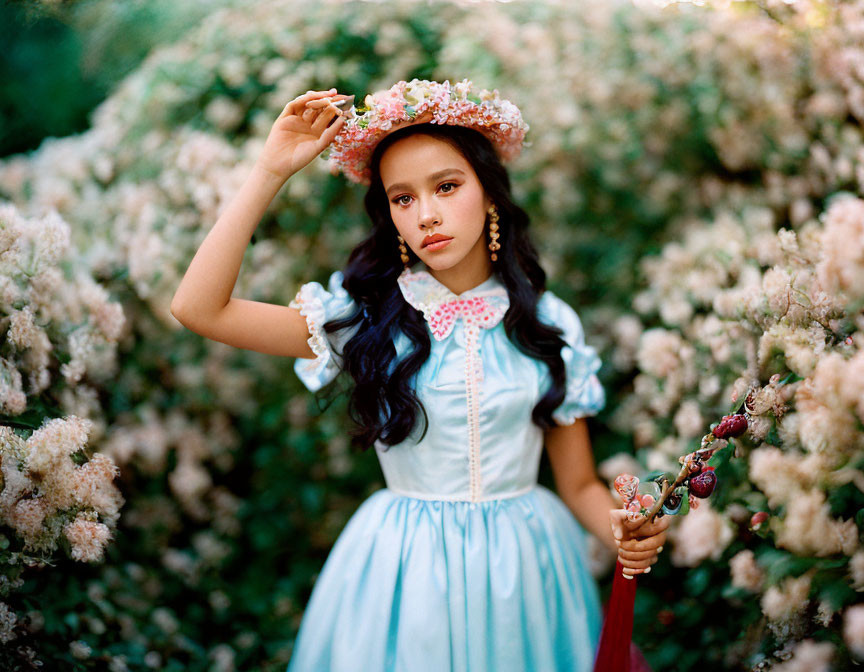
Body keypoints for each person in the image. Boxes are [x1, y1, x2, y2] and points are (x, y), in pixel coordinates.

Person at [170, 78, 668, 672]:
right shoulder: (361, 320)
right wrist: (269, 172)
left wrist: (621, 532)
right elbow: (199, 309)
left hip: (530, 573)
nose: (426, 214)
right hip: (406, 575)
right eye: (402, 198)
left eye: (447, 186)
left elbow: (581, 484)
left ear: (489, 195)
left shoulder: (548, 323)